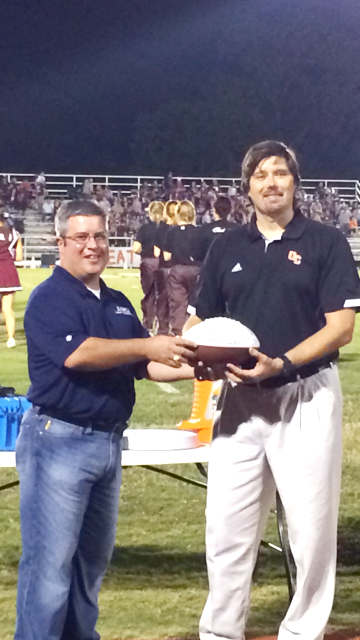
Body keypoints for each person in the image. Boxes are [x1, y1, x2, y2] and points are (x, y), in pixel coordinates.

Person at [184, 140, 360, 640]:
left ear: (295, 182)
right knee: (226, 530)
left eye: (280, 172)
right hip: (239, 401)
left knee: (310, 532)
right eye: (260, 175)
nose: (271, 182)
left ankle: (301, 632)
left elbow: (341, 327)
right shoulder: (227, 246)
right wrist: (194, 351)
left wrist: (280, 363)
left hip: (304, 395)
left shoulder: (325, 241)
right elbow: (200, 318)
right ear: (248, 188)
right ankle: (220, 632)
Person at [14, 199, 197, 640]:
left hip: (107, 444)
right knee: (50, 571)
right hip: (59, 439)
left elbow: (148, 365)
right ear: (61, 242)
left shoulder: (115, 301)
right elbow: (79, 355)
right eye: (81, 237)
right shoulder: (48, 297)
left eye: (99, 235)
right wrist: (146, 347)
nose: (92, 245)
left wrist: (204, 363)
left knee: (89, 569)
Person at [163, 200, 201, 335]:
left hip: (177, 270)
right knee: (196, 306)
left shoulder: (171, 232)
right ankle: (195, 334)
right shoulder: (200, 231)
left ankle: (179, 334)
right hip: (196, 270)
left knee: (178, 305)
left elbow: (166, 256)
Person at [133, 200, 164, 333]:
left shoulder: (145, 228)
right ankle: (162, 323)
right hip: (164, 264)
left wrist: (144, 251)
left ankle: (148, 322)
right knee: (163, 295)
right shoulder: (166, 228)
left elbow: (136, 248)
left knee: (149, 294)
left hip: (148, 263)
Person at [153, 200, 178, 335]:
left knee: (162, 301)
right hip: (176, 267)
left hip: (163, 268)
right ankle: (177, 330)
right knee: (178, 302)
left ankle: (161, 330)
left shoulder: (160, 229)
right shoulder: (179, 229)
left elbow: (156, 252)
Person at [0, 211, 23, 347]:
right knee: (8, 309)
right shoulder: (15, 234)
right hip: (9, 272)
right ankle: (11, 339)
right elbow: (19, 257)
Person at [192, 195, 237, 263]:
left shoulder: (204, 229)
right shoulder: (237, 229)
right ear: (230, 210)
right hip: (231, 269)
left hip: (209, 268)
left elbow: (197, 254)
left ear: (214, 210)